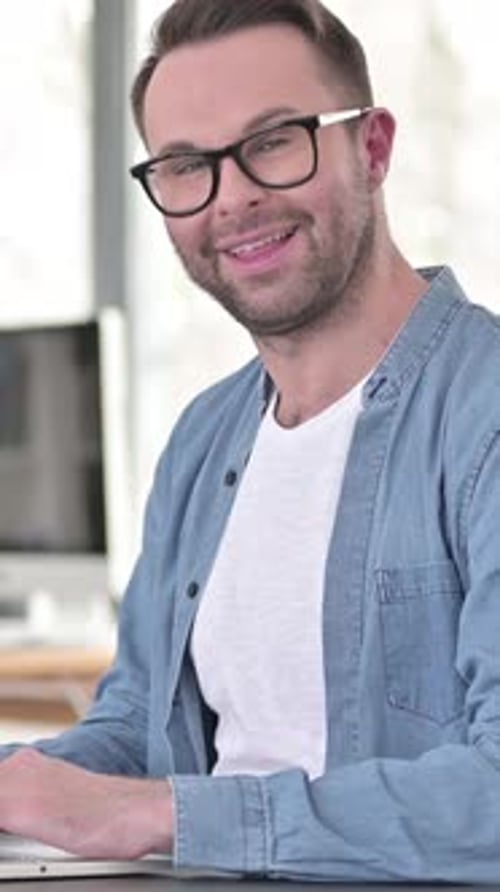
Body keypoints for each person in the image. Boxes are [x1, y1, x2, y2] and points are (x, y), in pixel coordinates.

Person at [1, 0, 500, 882]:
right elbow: (138, 726)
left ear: (373, 148)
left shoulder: (482, 414)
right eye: (188, 165)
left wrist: (162, 815)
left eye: (274, 141)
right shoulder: (203, 439)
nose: (233, 199)